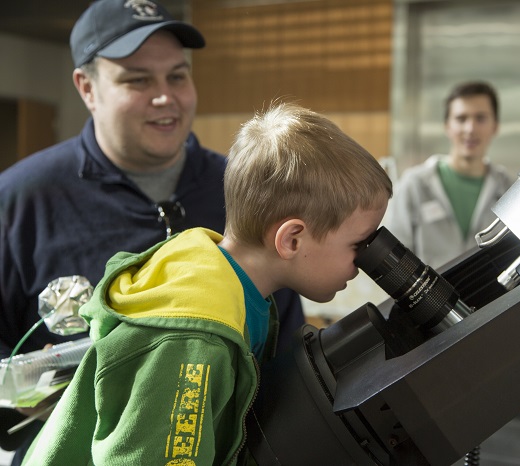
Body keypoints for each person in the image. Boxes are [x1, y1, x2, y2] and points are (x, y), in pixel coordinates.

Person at [0, 0, 303, 462]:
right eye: (137, 80)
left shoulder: (246, 192)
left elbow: (288, 348)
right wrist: (29, 387)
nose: (166, 97)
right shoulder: (21, 200)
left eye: (177, 76)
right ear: (87, 88)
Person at [21, 101, 392, 465]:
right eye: (358, 244)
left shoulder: (241, 297)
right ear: (291, 239)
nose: (363, 261)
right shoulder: (194, 340)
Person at [383, 81, 513, 268]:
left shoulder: (508, 189)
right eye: (461, 119)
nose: (470, 128)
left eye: (481, 118)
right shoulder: (415, 184)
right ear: (447, 126)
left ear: (495, 126)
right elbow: (393, 257)